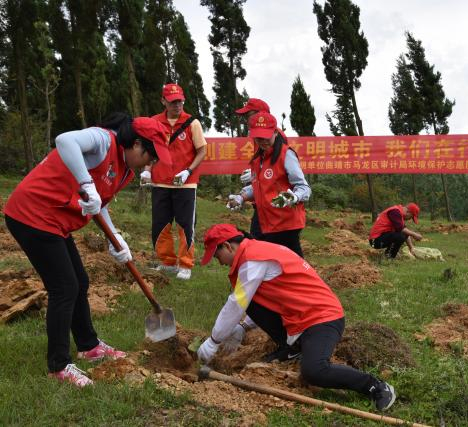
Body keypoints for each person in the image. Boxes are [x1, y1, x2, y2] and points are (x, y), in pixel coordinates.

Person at [3, 113, 172, 387]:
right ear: (137, 144)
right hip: (30, 213)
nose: (151, 163)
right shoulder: (103, 140)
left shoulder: (126, 169)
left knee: (79, 281)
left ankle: (89, 346)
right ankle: (58, 366)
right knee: (64, 287)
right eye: (151, 156)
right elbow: (65, 140)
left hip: (54, 220)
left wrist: (115, 237)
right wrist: (85, 183)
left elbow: (99, 202)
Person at [197, 223, 397, 412]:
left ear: (227, 246)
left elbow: (236, 303)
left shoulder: (253, 258)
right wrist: (243, 327)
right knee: (248, 298)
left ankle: (376, 386)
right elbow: (256, 300)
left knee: (314, 371)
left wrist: (214, 340)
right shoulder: (256, 251)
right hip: (302, 316)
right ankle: (292, 348)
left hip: (322, 317)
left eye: (217, 256)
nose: (220, 262)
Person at [140, 83, 207, 280]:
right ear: (163, 101)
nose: (177, 105)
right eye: (172, 102)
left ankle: (186, 263)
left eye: (180, 101)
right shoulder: (154, 122)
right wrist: (146, 171)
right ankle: (167, 262)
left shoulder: (192, 122)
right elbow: (149, 150)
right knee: (161, 224)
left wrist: (188, 171)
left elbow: (202, 150)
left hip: (185, 183)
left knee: (186, 224)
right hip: (160, 182)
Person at [227, 111, 310, 258]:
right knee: (269, 264)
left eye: (267, 136)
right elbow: (258, 187)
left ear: (275, 133)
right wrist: (241, 197)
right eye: (258, 138)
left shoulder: (286, 155)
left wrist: (293, 197)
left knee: (291, 265)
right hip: (266, 223)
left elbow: (304, 188)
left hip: (286, 224)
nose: (263, 141)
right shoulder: (257, 159)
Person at [234, 98, 287, 238]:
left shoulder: (276, 135)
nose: (246, 120)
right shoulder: (258, 137)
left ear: (261, 114)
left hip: (275, 205)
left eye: (248, 115)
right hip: (262, 202)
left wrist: (257, 173)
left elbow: (276, 169)